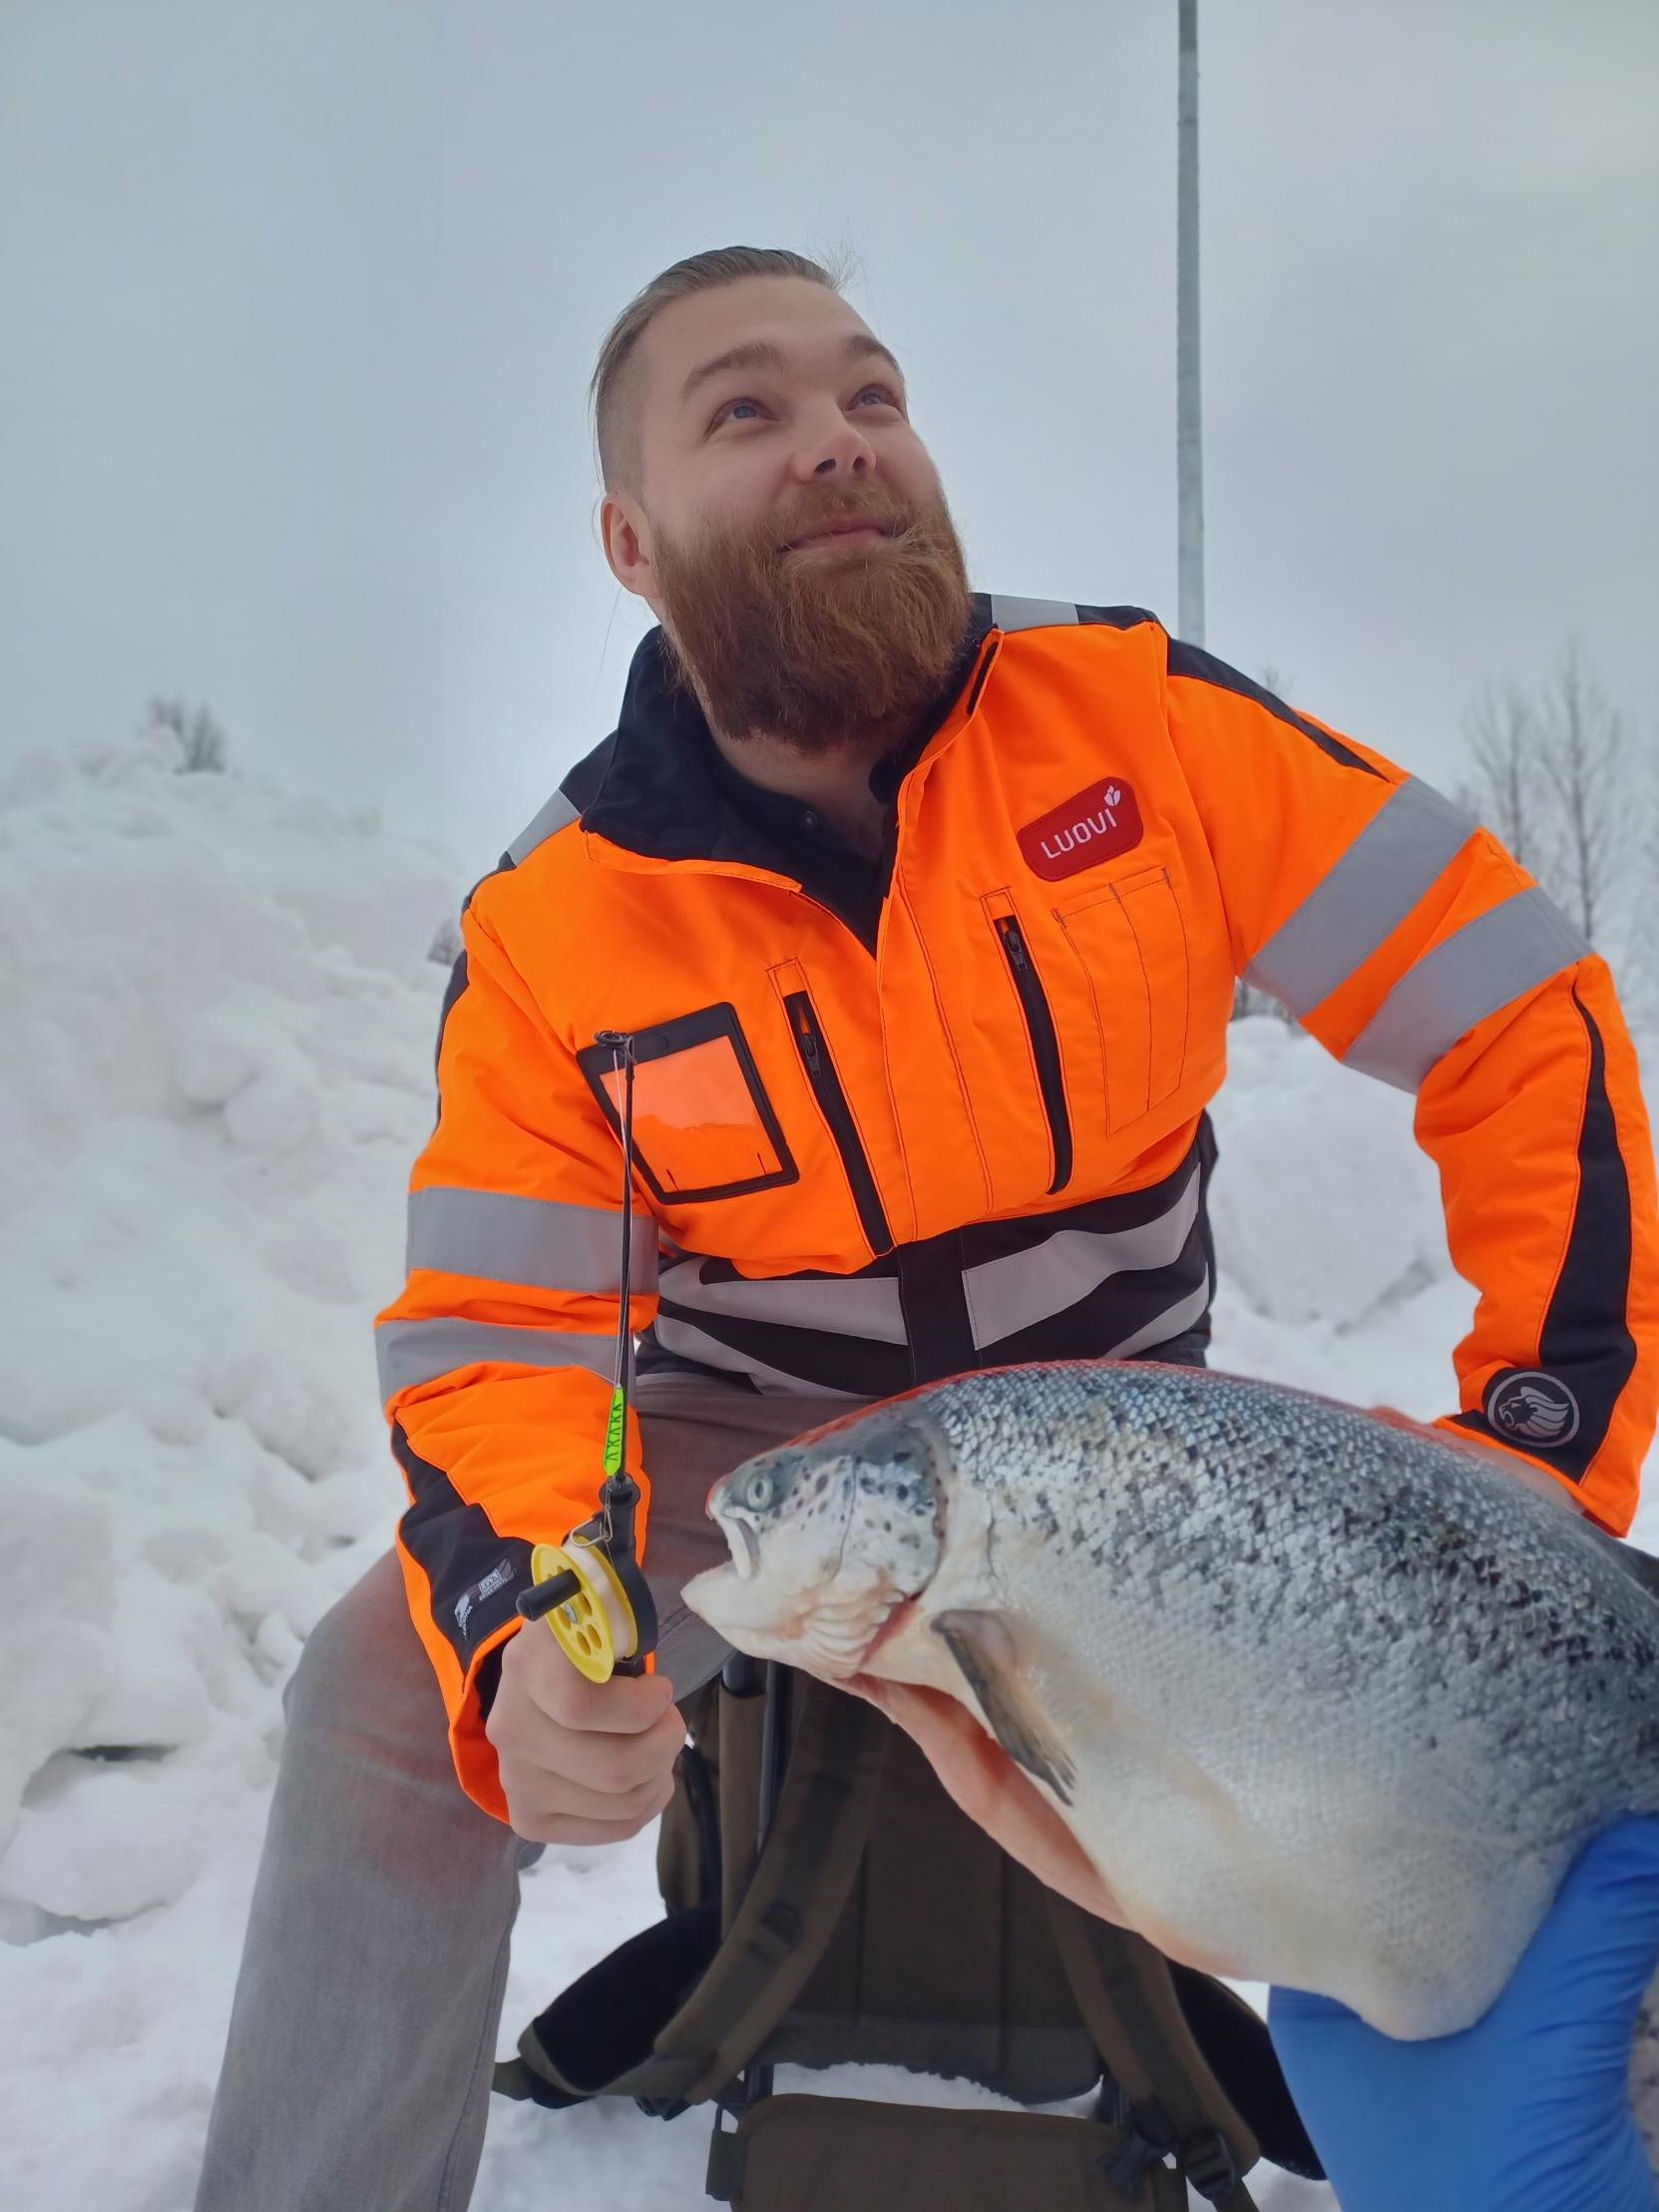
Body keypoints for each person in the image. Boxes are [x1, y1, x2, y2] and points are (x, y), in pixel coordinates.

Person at [193, 244, 1659, 2211]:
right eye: (749, 410)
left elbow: (1512, 1003)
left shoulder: (1142, 725)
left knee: (1535, 1668)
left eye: (871, 396)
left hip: (1128, 1432)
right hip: (745, 1456)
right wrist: (533, 1630)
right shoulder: (555, 925)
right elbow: (499, 1341)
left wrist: (1543, 1441)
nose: (838, 445)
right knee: (376, 1701)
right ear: (630, 543)